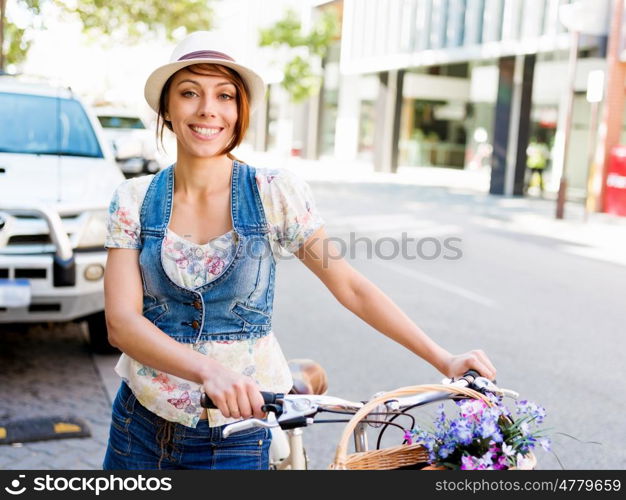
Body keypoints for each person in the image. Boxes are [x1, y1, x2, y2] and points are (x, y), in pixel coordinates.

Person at [102, 31, 496, 470]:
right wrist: (208, 370)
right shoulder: (133, 200)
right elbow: (121, 323)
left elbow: (350, 286)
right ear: (168, 108)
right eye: (189, 92)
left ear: (239, 110)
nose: (208, 109)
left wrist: (445, 358)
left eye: (225, 95)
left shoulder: (274, 193)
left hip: (237, 434)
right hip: (140, 425)